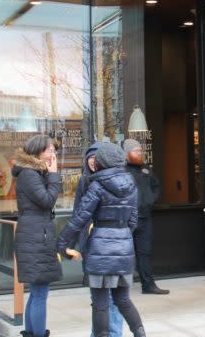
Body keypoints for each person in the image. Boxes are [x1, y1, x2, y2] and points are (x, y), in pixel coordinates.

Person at [57, 142, 146, 337]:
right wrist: (120, 234)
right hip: (124, 247)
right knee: (123, 300)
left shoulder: (97, 186)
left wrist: (62, 243)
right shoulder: (131, 185)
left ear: (101, 163)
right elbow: (133, 221)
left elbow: (79, 219)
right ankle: (141, 334)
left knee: (100, 304)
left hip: (100, 249)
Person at [12, 135, 62, 337]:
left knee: (36, 291)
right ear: (37, 151)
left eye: (53, 150)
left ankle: (32, 333)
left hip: (35, 233)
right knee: (40, 292)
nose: (53, 154)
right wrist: (54, 175)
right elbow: (47, 200)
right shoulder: (29, 174)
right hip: (35, 235)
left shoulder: (32, 173)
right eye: (50, 150)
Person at [72, 142, 124, 337]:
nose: (93, 162)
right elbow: (79, 214)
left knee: (114, 297)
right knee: (99, 299)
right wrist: (79, 243)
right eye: (90, 159)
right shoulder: (84, 182)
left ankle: (114, 333)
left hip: (113, 246)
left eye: (96, 158)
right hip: (92, 248)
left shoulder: (118, 182)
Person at [124, 139, 169, 295]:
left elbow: (156, 186)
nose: (140, 153)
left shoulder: (146, 170)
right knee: (123, 253)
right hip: (127, 219)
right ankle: (120, 287)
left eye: (140, 151)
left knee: (145, 253)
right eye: (136, 151)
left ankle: (148, 286)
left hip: (145, 217)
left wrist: (151, 200)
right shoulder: (121, 171)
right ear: (127, 154)